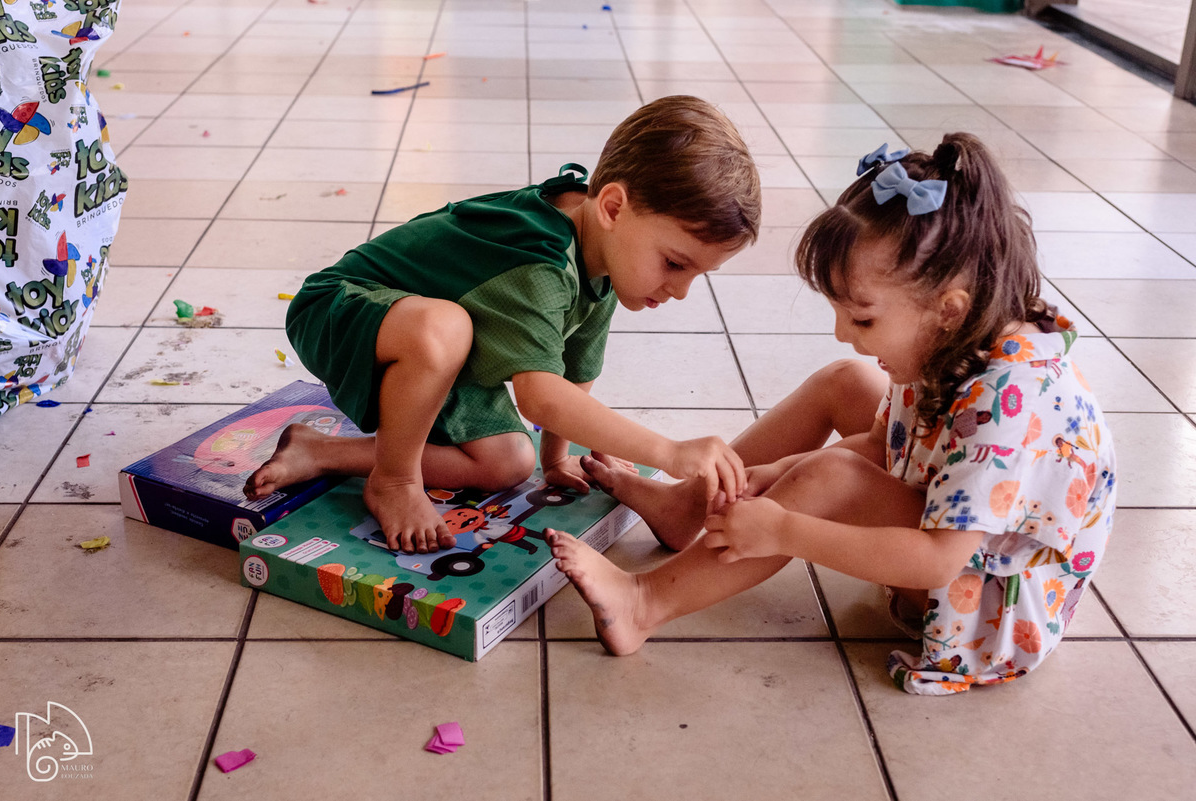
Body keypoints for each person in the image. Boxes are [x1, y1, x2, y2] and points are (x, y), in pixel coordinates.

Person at [546, 134, 1117, 696]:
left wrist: (785, 526)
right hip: (958, 535)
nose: (843, 333)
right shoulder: (960, 337)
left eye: (862, 319)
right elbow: (881, 444)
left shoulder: (1008, 405)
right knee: (844, 385)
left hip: (985, 609)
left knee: (828, 480)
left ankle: (644, 603)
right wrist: (776, 474)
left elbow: (937, 563)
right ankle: (684, 507)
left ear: (948, 311)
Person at [244, 95, 760, 556]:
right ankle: (395, 481)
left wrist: (555, 460)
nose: (680, 289)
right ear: (613, 207)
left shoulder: (604, 252)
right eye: (674, 263)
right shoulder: (541, 262)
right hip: (343, 309)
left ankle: (321, 451)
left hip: (437, 348)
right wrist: (668, 451)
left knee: (508, 463)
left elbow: (571, 376)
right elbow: (541, 398)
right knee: (444, 327)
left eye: (697, 273)